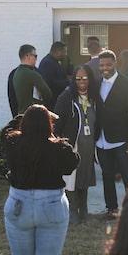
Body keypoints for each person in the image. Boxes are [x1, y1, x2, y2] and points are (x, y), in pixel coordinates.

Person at [2, 105, 78, 255]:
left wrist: (22, 116)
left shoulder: (14, 143)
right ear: (49, 125)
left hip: (19, 204)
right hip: (52, 205)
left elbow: (5, 131)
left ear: (23, 124)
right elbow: (73, 163)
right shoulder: (59, 148)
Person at [95, 49, 128, 219]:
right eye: (101, 65)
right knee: (107, 176)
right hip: (101, 139)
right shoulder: (96, 83)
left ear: (115, 64)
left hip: (122, 140)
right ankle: (111, 209)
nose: (104, 67)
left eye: (108, 64)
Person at [54, 65, 99, 225]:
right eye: (78, 78)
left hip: (89, 146)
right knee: (72, 178)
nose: (82, 82)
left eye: (85, 78)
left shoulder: (94, 98)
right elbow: (56, 123)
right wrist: (62, 144)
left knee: (85, 176)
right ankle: (73, 210)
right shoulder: (66, 97)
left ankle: (83, 208)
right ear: (73, 80)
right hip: (73, 146)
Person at [11, 44, 51, 115]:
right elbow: (48, 94)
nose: (36, 59)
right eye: (35, 56)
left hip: (21, 115)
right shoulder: (32, 74)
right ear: (28, 56)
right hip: (34, 115)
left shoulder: (15, 74)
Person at [38, 41, 70, 109]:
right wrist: (68, 82)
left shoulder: (53, 62)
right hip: (52, 102)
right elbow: (49, 83)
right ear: (58, 51)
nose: (65, 54)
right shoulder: (47, 63)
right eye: (64, 52)